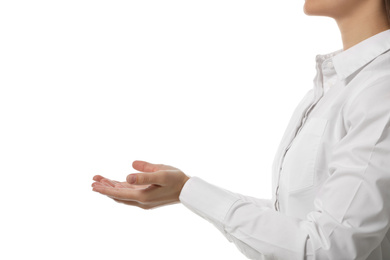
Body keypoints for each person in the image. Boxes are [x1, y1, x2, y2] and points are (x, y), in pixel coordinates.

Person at [91, 0, 390, 258]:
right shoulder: (339, 86)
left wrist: (187, 190)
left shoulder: (380, 88)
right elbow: (292, 219)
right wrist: (184, 190)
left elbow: (328, 247)